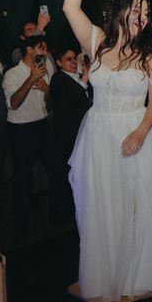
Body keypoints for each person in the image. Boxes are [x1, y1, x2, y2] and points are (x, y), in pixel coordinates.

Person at [62, 0, 152, 302]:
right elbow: (70, 6)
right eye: (137, 10)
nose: (142, 17)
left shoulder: (151, 53)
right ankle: (102, 276)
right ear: (121, 10)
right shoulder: (96, 40)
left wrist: (142, 131)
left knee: (134, 208)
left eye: (147, 12)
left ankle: (133, 277)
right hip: (98, 135)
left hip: (135, 134)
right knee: (98, 207)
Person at [2, 35, 54, 234]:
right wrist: (30, 79)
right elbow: (13, 104)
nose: (45, 52)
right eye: (41, 47)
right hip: (21, 131)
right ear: (29, 49)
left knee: (57, 169)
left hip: (42, 127)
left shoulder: (45, 70)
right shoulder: (12, 74)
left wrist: (46, 89)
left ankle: (56, 214)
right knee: (23, 179)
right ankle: (21, 225)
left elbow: (48, 106)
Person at [50, 47, 92, 219]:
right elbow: (74, 95)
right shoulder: (58, 78)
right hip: (66, 134)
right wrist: (85, 76)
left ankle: (77, 207)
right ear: (59, 63)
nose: (74, 61)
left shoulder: (76, 76)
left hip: (82, 132)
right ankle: (60, 211)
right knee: (64, 172)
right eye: (68, 59)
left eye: (75, 58)